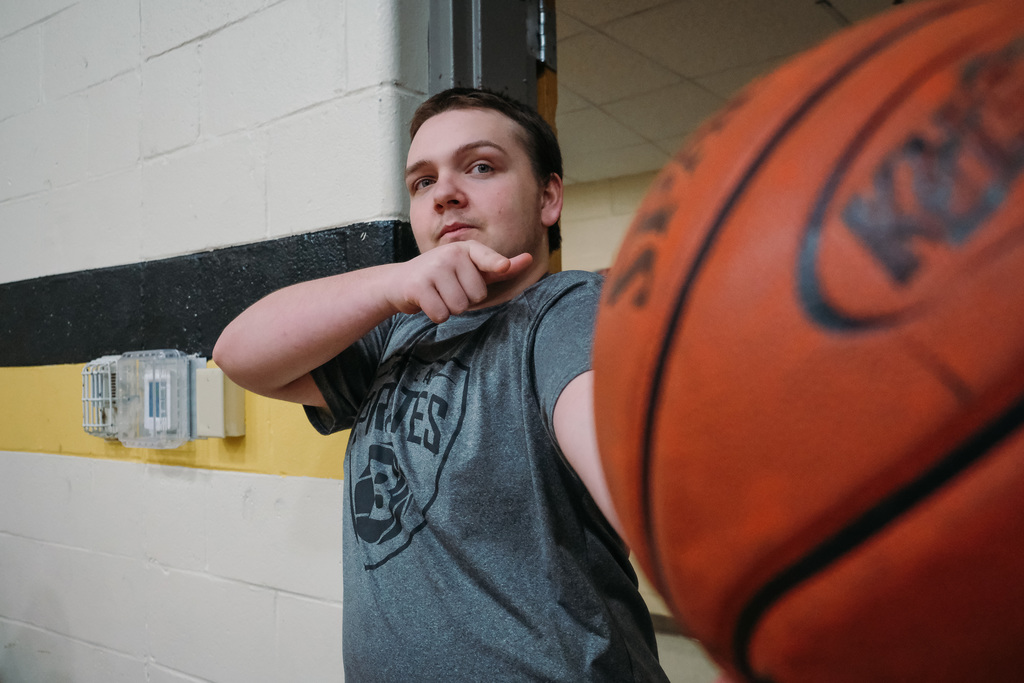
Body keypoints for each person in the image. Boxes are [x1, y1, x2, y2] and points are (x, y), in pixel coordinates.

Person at [213, 87, 669, 682]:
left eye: (481, 167)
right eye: (423, 182)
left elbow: (645, 496)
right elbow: (238, 353)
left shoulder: (568, 313)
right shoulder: (400, 335)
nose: (446, 193)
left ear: (548, 198)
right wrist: (389, 285)